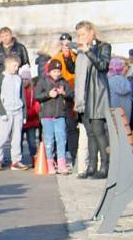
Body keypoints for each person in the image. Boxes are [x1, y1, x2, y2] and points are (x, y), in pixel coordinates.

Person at [73, 20, 111, 179]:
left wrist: (88, 51)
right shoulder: (81, 52)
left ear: (91, 33)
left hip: (97, 95)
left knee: (98, 131)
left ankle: (105, 167)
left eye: (82, 34)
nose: (80, 38)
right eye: (78, 35)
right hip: (84, 97)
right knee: (89, 133)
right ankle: (92, 166)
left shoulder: (103, 46)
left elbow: (103, 66)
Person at [35, 59, 74, 174]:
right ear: (49, 71)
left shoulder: (64, 81)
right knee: (49, 139)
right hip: (46, 115)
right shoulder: (43, 81)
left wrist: (64, 93)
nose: (56, 74)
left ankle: (62, 163)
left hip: (60, 114)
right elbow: (37, 95)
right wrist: (48, 94)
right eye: (54, 71)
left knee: (61, 138)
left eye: (58, 71)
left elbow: (71, 95)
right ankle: (50, 163)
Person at [0, 53, 28, 170]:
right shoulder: (1, 77)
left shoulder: (18, 78)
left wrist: (24, 113)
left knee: (17, 138)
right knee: (2, 137)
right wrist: (1, 112)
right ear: (7, 65)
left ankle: (16, 160)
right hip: (6, 111)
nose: (16, 69)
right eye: (14, 66)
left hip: (18, 111)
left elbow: (22, 96)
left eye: (17, 66)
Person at [51, 33, 79, 164]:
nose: (66, 46)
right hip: (61, 94)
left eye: (68, 43)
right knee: (60, 127)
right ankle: (57, 156)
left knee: (72, 127)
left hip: (73, 93)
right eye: (63, 44)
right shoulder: (56, 58)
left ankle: (74, 155)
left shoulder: (76, 56)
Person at [19, 64, 39, 166]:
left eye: (26, 79)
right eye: (22, 79)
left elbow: (36, 105)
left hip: (31, 120)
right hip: (20, 120)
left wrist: (28, 113)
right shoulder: (18, 90)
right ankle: (19, 159)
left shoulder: (33, 90)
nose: (24, 81)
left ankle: (34, 158)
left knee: (32, 142)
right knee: (19, 142)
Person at [108, 57, 132, 123]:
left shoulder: (108, 81)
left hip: (113, 114)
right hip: (126, 115)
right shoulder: (126, 81)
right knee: (124, 132)